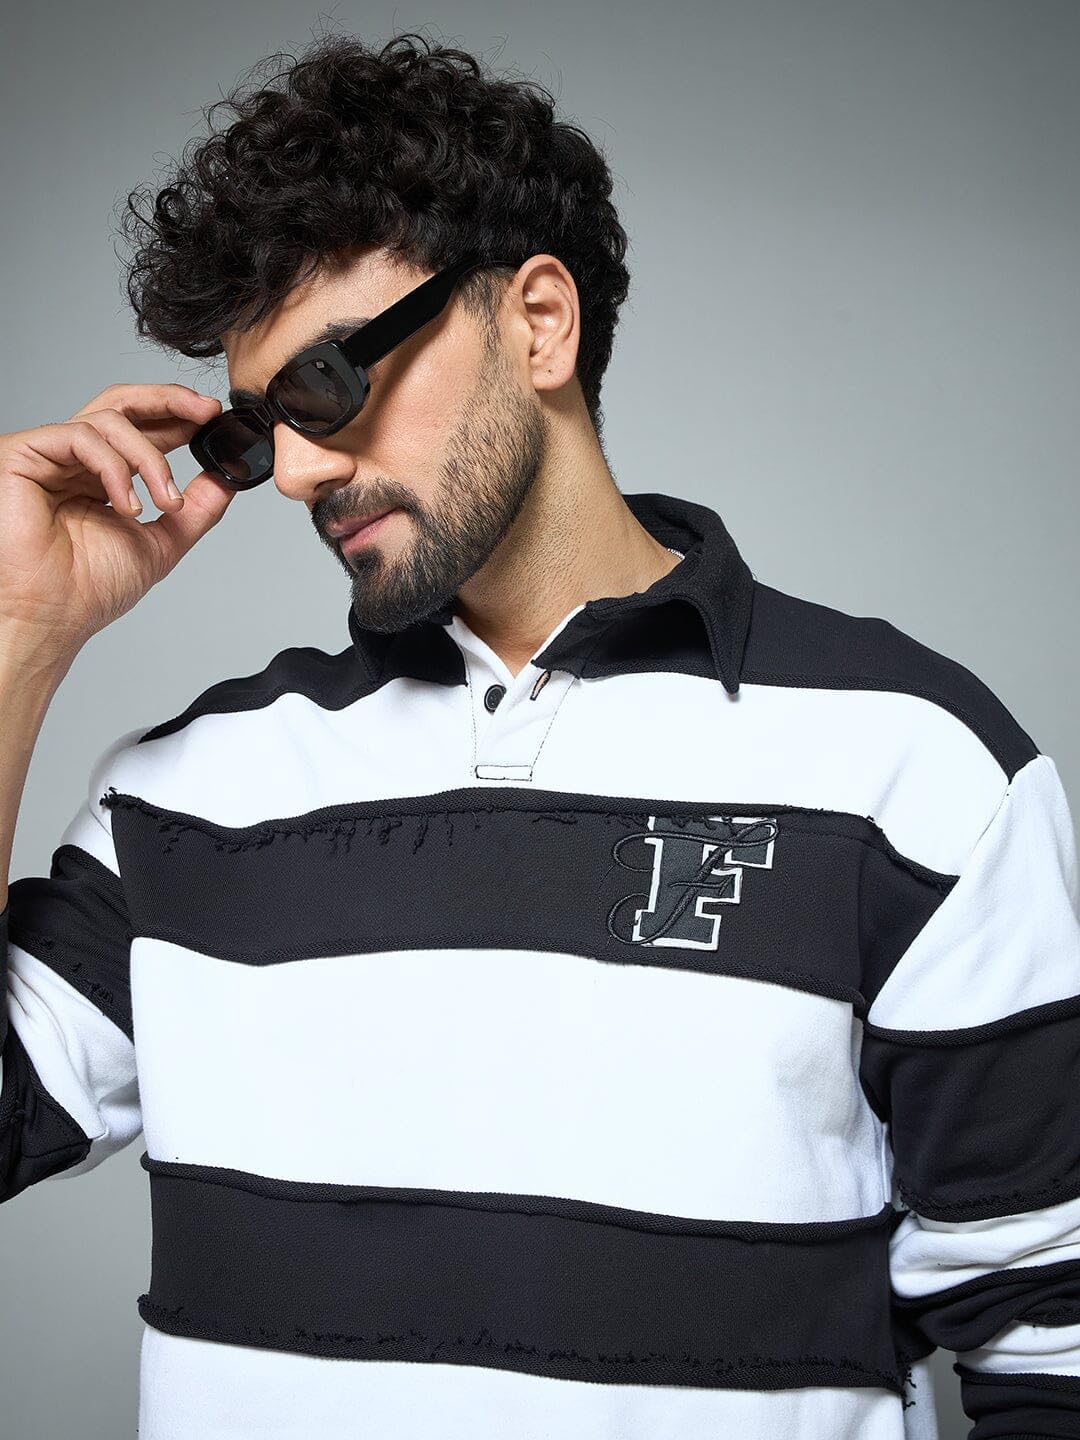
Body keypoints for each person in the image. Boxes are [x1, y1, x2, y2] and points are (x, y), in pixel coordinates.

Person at [2, 29, 1078, 1440]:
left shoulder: (916, 763)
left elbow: (1051, 1351)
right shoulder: (184, 801)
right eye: (257, 434)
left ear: (539, 324)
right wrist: (19, 632)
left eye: (326, 385)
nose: (299, 473)